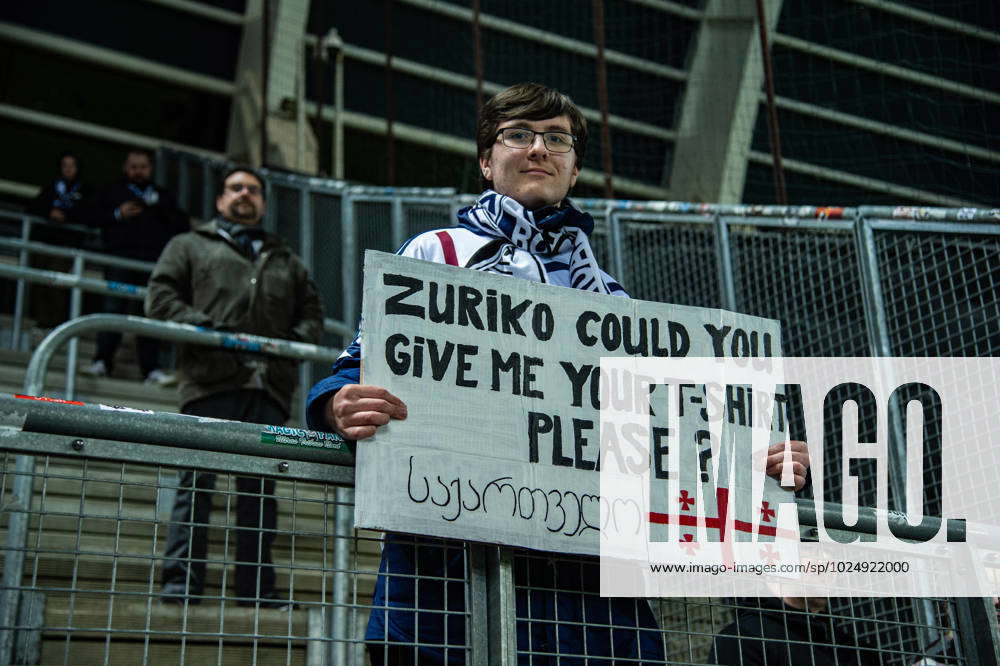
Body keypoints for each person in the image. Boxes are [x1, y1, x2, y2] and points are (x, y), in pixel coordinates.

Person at [305, 83, 810, 664]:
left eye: (557, 140)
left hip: (589, 603)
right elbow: (352, 371)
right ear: (487, 162)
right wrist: (336, 404)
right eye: (518, 135)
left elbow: (668, 426)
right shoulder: (434, 254)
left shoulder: (615, 301)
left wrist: (752, 460)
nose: (538, 149)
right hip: (451, 575)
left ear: (573, 171)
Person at [146, 166, 324, 607]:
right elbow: (161, 298)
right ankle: (182, 583)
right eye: (236, 188)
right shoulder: (189, 245)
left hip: (267, 388)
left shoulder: (286, 258)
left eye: (254, 190)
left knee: (260, 494)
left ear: (263, 202)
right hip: (209, 381)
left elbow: (313, 315)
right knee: (195, 485)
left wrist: (287, 346)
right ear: (220, 198)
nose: (245, 195)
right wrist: (210, 334)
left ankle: (257, 590)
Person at [86, 148, 188, 384]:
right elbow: (90, 215)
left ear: (150, 169)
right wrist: (117, 214)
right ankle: (102, 361)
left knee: (150, 315)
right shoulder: (113, 190)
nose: (138, 172)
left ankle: (151, 369)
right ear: (125, 168)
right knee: (113, 309)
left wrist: (157, 208)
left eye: (143, 167)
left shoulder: (162, 195)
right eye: (134, 167)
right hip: (119, 258)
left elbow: (182, 225)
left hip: (152, 264)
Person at [708, 597, 880, 665]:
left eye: (830, 554)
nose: (826, 563)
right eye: (810, 551)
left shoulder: (858, 651)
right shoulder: (742, 638)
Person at [27, 152, 93, 328]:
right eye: (65, 165)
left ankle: (56, 324)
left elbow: (89, 215)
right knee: (39, 282)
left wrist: (67, 216)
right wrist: (50, 213)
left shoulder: (85, 190)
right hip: (44, 241)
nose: (68, 169)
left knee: (58, 285)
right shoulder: (51, 187)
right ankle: (41, 321)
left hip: (66, 245)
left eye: (72, 165)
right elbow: (33, 207)